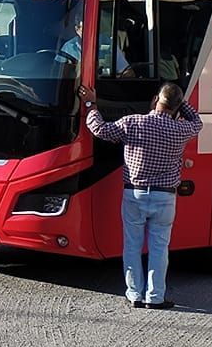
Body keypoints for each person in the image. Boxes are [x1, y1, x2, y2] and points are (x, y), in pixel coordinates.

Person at [81, 80, 202, 309]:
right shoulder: (182, 130)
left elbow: (99, 129)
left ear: (156, 100)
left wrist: (90, 103)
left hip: (134, 195)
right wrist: (179, 104)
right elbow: (197, 121)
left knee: (132, 246)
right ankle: (155, 297)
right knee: (159, 248)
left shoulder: (133, 123)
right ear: (177, 107)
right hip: (165, 198)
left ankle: (134, 294)